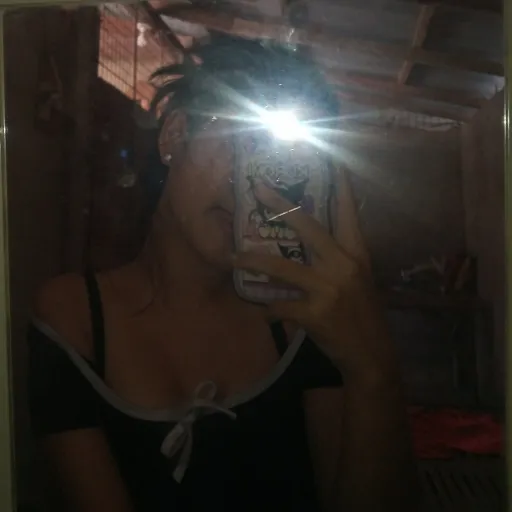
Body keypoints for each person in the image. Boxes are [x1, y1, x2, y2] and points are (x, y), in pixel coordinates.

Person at [28, 35, 418, 512]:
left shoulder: (303, 318)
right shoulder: (74, 318)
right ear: (174, 135)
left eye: (280, 163)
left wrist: (374, 371)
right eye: (239, 141)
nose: (249, 182)